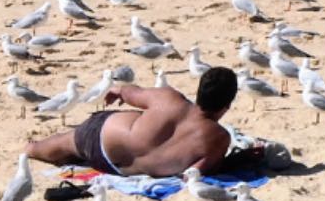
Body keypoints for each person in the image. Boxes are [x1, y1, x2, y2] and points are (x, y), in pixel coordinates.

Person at [28, 68, 239, 178]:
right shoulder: (218, 138)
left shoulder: (169, 98)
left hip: (102, 138)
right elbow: (194, 173)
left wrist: (119, 90)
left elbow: (131, 92)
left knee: (65, 143)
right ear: (227, 105)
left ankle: (32, 149)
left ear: (199, 90)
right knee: (71, 146)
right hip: (120, 170)